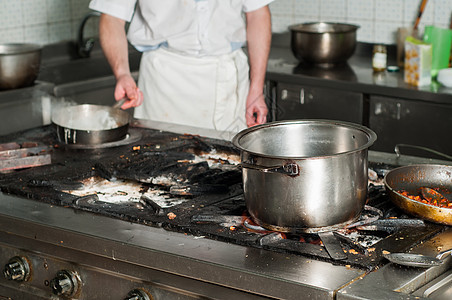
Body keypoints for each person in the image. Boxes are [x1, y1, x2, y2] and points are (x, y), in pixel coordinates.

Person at [89, 0, 273, 132]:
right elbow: (112, 17)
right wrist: (122, 73)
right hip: (165, 81)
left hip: (229, 77)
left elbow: (257, 13)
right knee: (162, 169)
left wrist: (256, 90)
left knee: (231, 168)